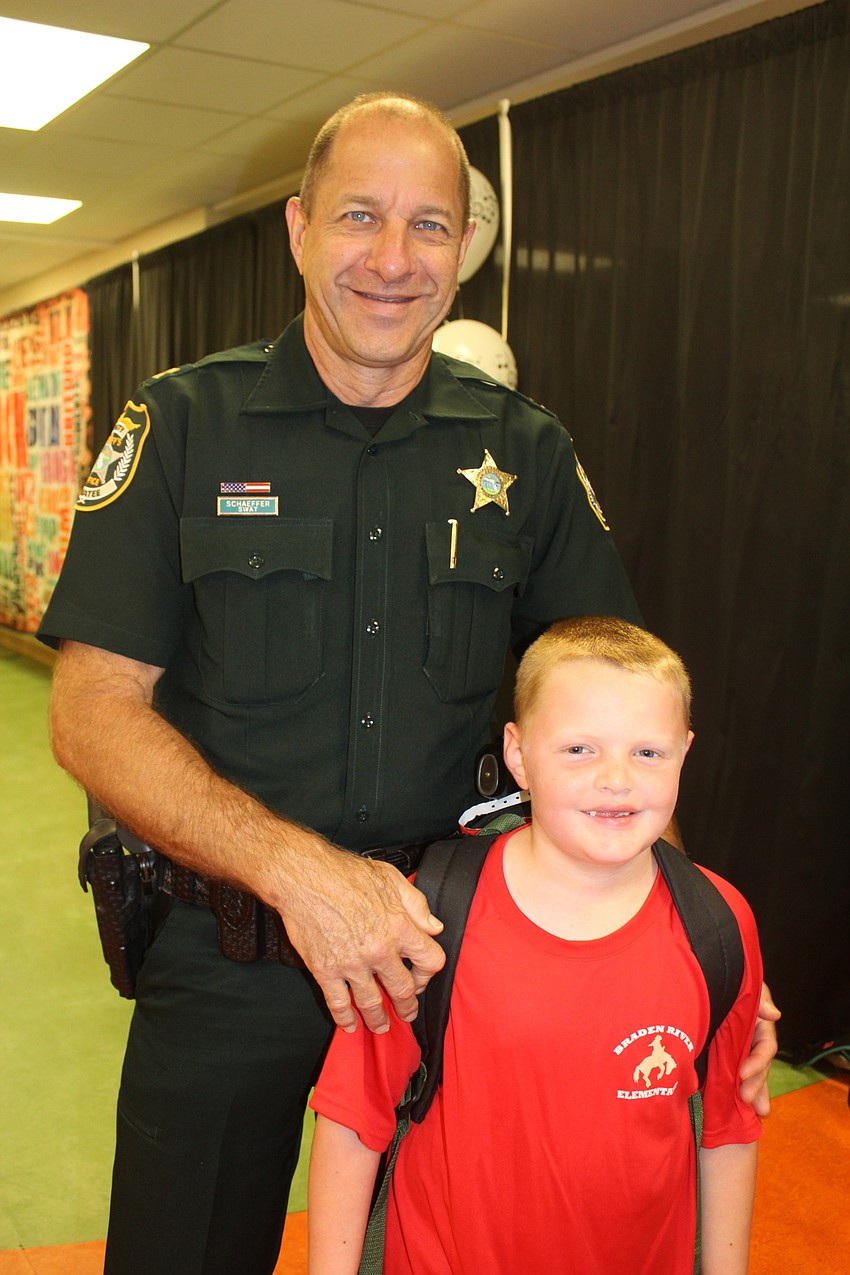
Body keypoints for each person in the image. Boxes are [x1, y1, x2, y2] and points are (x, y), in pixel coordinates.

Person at [37, 93, 777, 1275]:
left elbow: (615, 715)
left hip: (450, 971)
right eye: (360, 218)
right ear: (297, 229)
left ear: (461, 251)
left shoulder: (523, 450)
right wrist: (298, 873)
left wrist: (695, 950)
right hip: (226, 956)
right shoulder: (182, 425)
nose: (392, 259)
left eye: (430, 226)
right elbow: (91, 712)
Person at [308, 616, 763, 1274]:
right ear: (518, 753)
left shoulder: (719, 924)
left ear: (685, 753)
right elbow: (354, 1119)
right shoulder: (431, 915)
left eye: (648, 752)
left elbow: (729, 1129)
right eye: (579, 749)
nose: (616, 779)